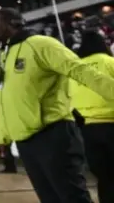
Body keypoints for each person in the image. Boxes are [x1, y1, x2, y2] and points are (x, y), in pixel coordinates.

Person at [0, 7, 114, 203]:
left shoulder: (41, 44)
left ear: (12, 23)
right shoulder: (4, 56)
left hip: (53, 135)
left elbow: (80, 70)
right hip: (26, 143)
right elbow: (4, 99)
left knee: (72, 197)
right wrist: (2, 138)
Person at [70, 29, 114, 203]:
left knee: (104, 178)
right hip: (111, 124)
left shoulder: (76, 69)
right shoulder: (109, 62)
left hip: (88, 130)